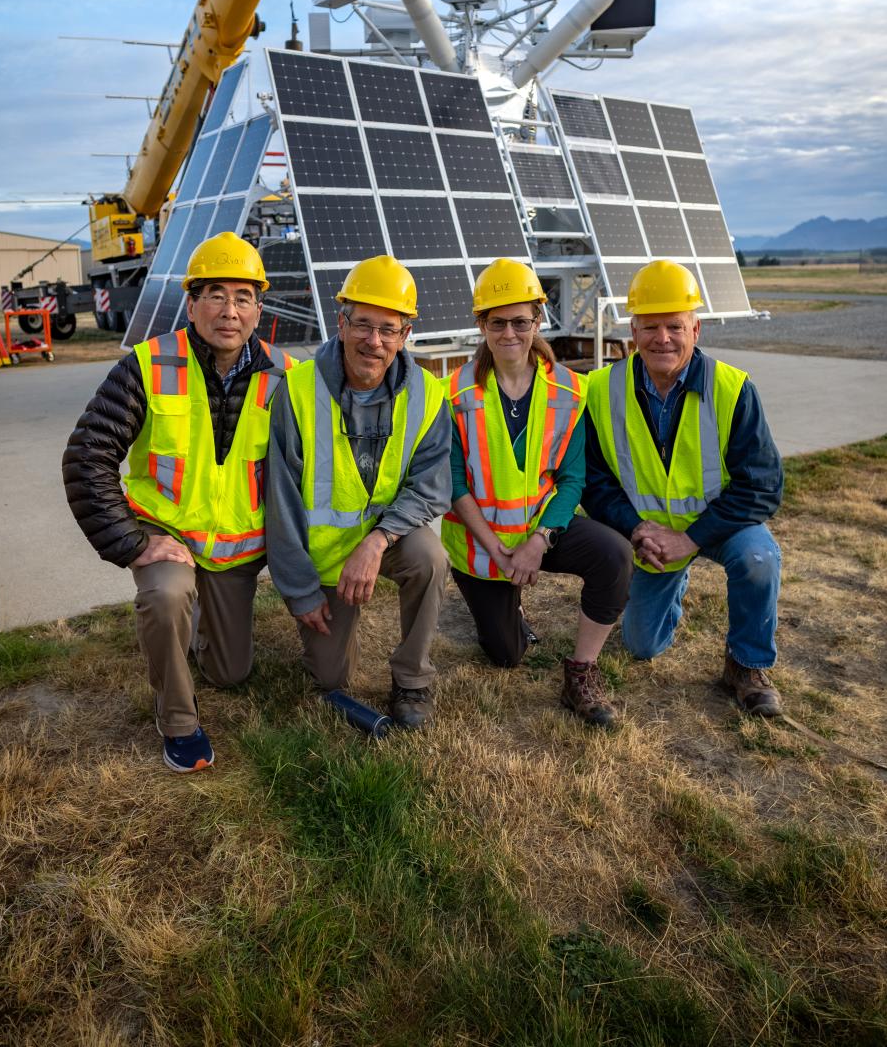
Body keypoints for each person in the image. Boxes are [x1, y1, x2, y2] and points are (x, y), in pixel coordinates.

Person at [62, 232, 295, 771]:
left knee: (230, 673)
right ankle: (178, 721)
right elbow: (86, 458)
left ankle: (196, 639)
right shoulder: (147, 366)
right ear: (191, 303)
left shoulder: (288, 375)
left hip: (235, 552)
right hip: (168, 540)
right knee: (165, 598)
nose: (229, 310)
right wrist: (133, 543)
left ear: (259, 307)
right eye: (214, 294)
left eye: (242, 297)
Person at [582, 258, 784, 716]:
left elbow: (764, 486)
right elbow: (594, 482)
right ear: (632, 331)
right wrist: (635, 528)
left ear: (696, 329)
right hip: (649, 537)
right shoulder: (599, 390)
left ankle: (746, 666)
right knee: (641, 646)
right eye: (650, 326)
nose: (663, 338)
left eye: (675, 326)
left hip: (718, 527)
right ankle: (672, 581)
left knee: (759, 558)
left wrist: (690, 539)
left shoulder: (733, 389)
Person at [442, 258, 634, 727]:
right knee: (506, 654)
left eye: (521, 321)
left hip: (542, 534)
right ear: (481, 324)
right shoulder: (452, 393)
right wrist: (498, 550)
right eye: (498, 322)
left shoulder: (570, 390)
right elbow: (453, 483)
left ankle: (581, 671)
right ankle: (508, 610)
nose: (510, 333)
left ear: (538, 321)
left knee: (614, 554)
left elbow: (572, 480)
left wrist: (538, 541)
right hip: (481, 545)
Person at [266, 255, 451, 729]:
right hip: (324, 560)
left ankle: (413, 679)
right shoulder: (299, 389)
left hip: (384, 542)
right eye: (363, 325)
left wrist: (377, 540)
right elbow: (281, 502)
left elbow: (431, 486)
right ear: (341, 322)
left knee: (430, 556)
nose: (374, 341)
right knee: (331, 679)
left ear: (406, 335)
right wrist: (302, 592)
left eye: (389, 329)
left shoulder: (429, 395)